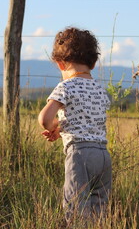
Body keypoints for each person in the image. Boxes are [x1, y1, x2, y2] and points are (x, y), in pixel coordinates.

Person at [38, 27, 112, 223]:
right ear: (94, 63)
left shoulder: (65, 87)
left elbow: (44, 119)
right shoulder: (100, 89)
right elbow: (86, 119)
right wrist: (61, 128)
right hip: (103, 155)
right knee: (99, 209)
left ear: (60, 64)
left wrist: (50, 126)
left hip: (79, 155)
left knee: (76, 208)